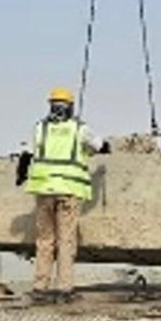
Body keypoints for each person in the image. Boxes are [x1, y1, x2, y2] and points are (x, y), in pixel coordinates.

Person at [18, 87, 97, 302]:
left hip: (44, 191)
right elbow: (98, 145)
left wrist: (20, 176)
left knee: (44, 240)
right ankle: (64, 289)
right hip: (69, 192)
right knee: (66, 240)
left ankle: (40, 288)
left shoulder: (39, 128)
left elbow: (25, 155)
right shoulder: (79, 128)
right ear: (70, 107)